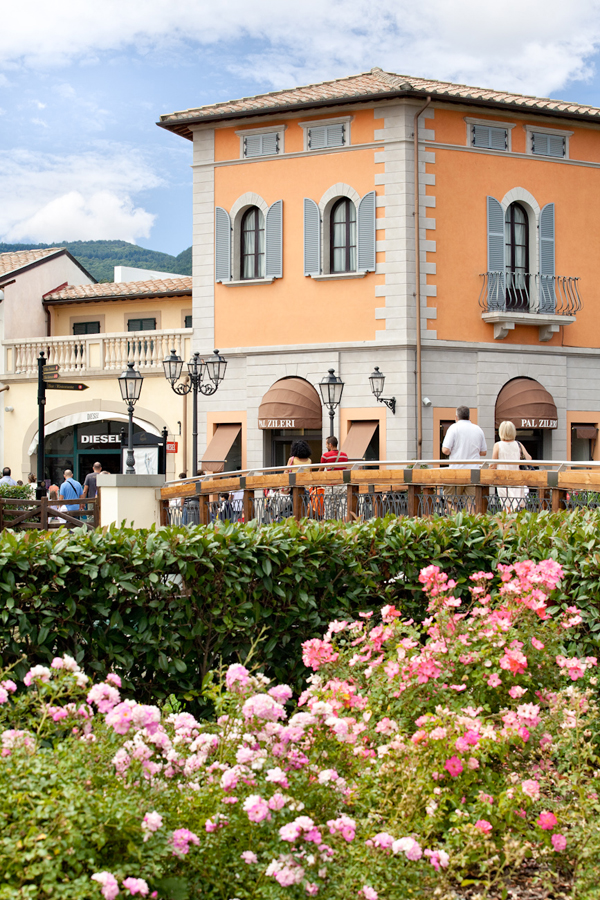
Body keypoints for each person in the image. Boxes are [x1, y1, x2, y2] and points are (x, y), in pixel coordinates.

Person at [441, 406, 487, 506]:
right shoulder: (478, 429)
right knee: (470, 504)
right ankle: (470, 522)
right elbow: (484, 452)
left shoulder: (453, 428)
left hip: (456, 471)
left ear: (456, 417)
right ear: (469, 416)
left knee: (450, 502)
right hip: (473, 472)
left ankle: (456, 521)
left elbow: (445, 450)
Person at [490, 420, 531, 509]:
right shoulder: (518, 444)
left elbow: (493, 465)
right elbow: (529, 459)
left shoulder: (498, 445)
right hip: (517, 480)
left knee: (506, 505)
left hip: (503, 480)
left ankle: (507, 522)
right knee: (517, 505)